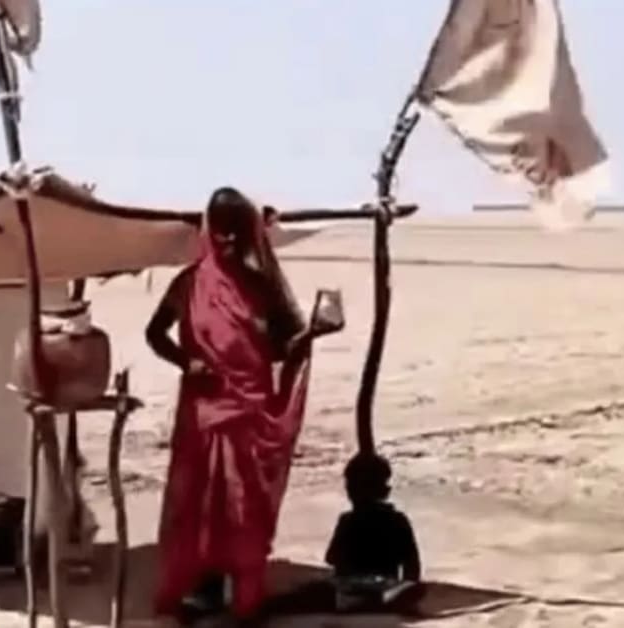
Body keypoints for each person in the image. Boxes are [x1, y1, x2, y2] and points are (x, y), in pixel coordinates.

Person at [146, 187, 336, 621]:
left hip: (249, 411)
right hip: (204, 409)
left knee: (242, 506)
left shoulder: (260, 286)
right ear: (210, 233)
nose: (228, 243)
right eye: (221, 234)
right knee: (200, 502)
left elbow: (279, 349)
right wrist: (187, 360)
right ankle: (204, 588)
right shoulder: (188, 284)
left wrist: (311, 335)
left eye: (236, 234)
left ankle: (243, 593)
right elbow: (154, 334)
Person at [324, 453, 423, 613]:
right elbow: (412, 567)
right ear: (386, 490)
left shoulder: (348, 521)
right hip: (385, 587)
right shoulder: (398, 520)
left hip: (353, 589)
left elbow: (332, 558)